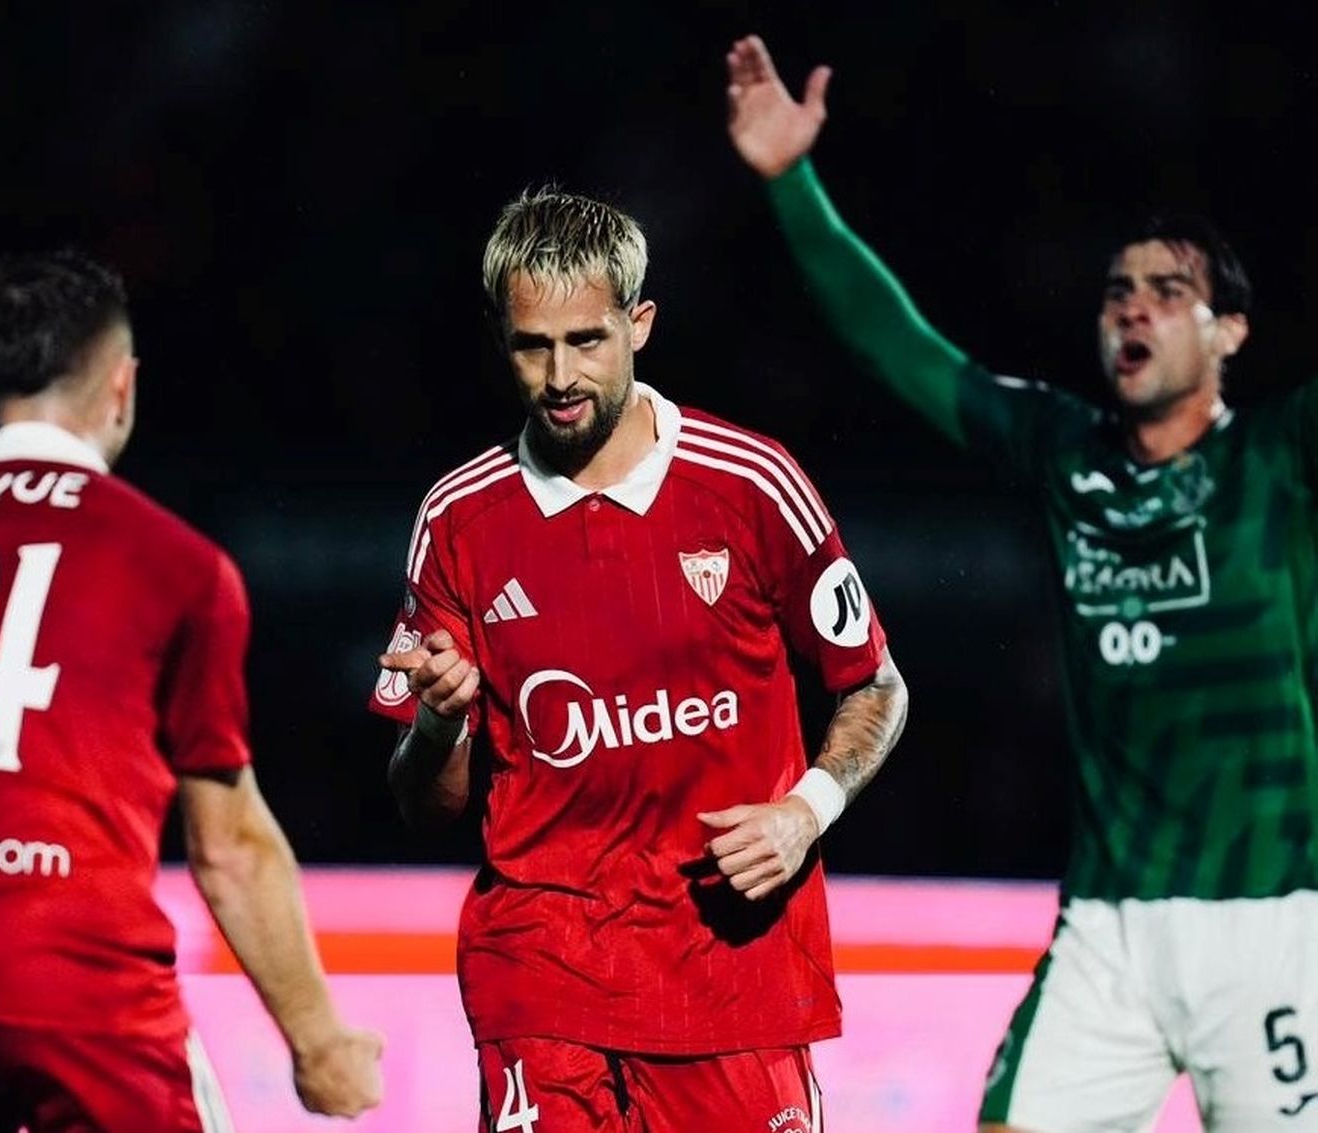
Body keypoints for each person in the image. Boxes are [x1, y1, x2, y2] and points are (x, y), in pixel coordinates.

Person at [725, 32, 1318, 1131]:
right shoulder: (1065, 453)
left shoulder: (1279, 462)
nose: (1130, 307)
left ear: (1229, 330)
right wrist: (793, 184)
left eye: (1167, 291)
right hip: (1111, 928)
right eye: (1117, 290)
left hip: (1274, 921)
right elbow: (902, 351)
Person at [370, 186, 908, 1131]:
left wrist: (802, 813)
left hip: (731, 964)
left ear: (640, 324)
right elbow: (427, 802)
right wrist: (441, 722)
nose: (560, 376)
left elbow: (873, 685)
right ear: (502, 341)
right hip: (542, 965)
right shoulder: (455, 521)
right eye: (533, 346)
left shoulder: (751, 484)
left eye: (588, 340)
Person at [0, 249, 383, 1132]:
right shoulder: (176, 565)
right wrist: (319, 1041)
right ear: (122, 386)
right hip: (75, 988)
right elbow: (229, 844)